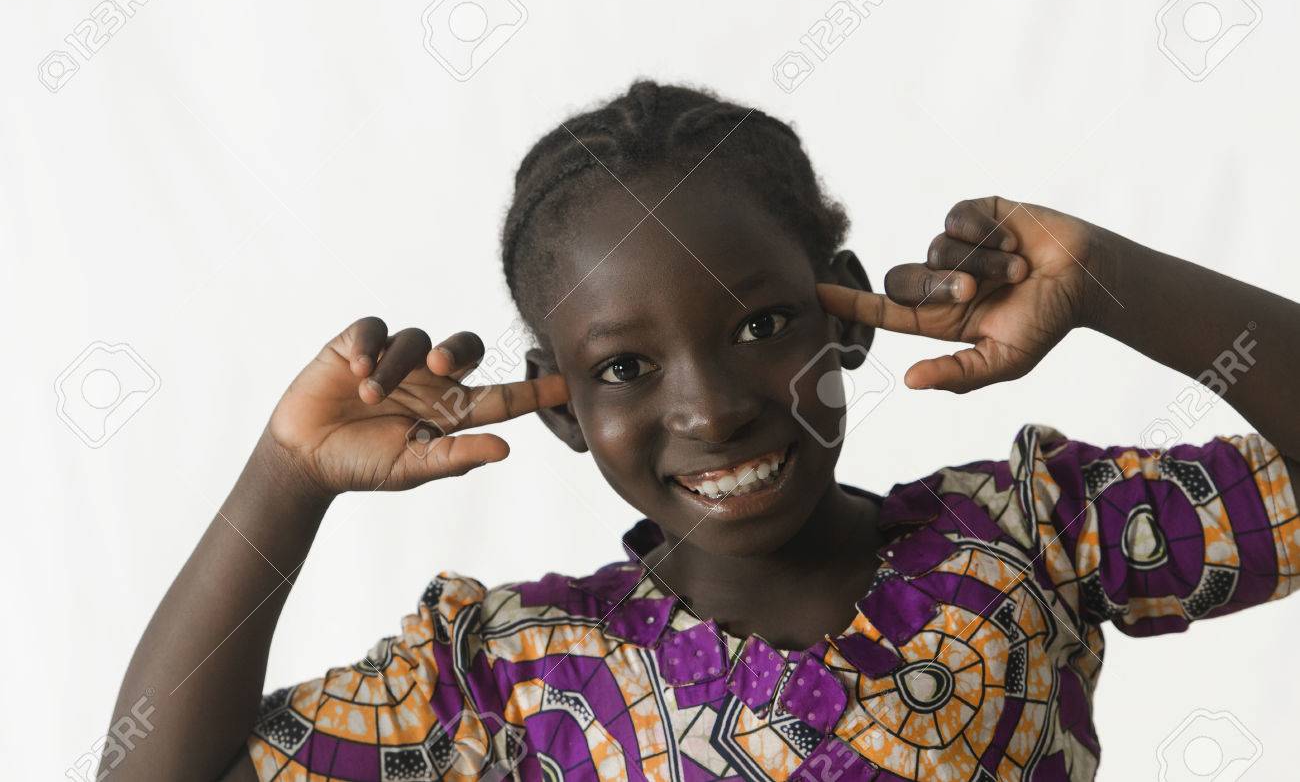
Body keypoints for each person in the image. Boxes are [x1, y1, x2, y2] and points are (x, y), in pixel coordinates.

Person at [108, 82, 1299, 781]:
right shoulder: (516, 677)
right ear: (561, 405)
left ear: (847, 315)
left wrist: (1103, 281)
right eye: (625, 368)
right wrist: (286, 480)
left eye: (760, 325)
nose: (711, 407)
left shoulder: (1032, 539)